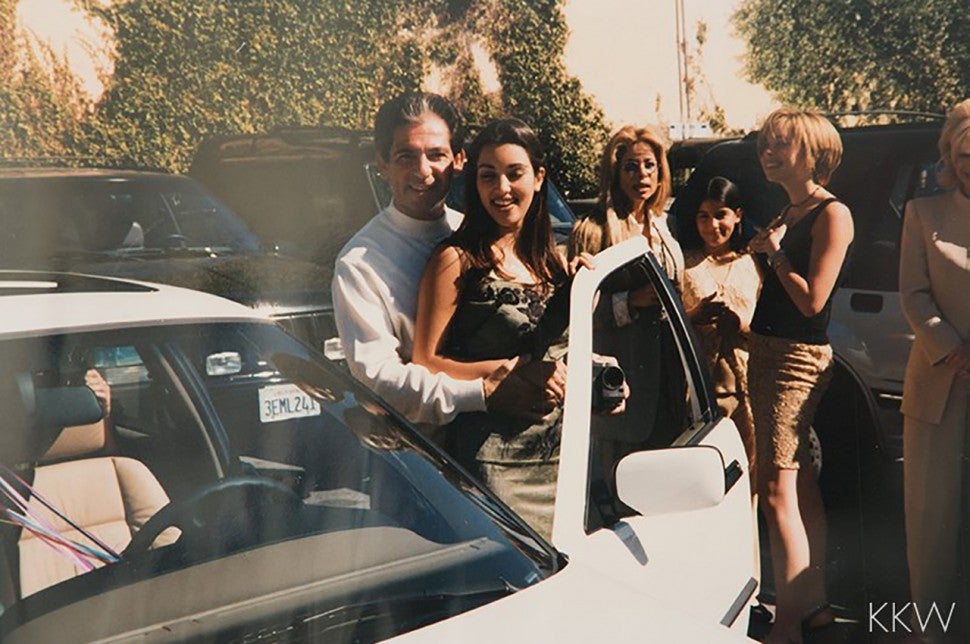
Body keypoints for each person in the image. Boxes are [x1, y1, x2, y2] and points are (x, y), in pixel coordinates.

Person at [332, 92, 562, 442]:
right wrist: (480, 394)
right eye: (406, 156)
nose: (423, 171)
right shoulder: (361, 263)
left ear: (458, 160)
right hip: (419, 458)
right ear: (383, 164)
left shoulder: (476, 236)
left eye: (436, 155)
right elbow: (378, 382)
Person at [410, 119, 575, 539]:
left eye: (514, 174)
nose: (501, 189)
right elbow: (425, 361)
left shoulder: (554, 262)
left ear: (539, 178)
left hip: (563, 460)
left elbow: (560, 352)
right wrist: (506, 372)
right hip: (496, 467)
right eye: (488, 176)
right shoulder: (456, 259)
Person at [746, 108, 854, 643]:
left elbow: (812, 301)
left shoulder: (833, 214)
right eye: (765, 144)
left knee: (775, 490)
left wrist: (775, 256)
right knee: (799, 484)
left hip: (795, 361)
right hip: (766, 353)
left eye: (780, 144)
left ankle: (786, 626)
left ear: (812, 153)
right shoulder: (790, 210)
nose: (768, 152)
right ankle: (815, 606)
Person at [899, 98, 970, 642]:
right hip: (941, 383)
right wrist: (953, 350)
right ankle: (932, 629)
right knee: (932, 519)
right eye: (965, 154)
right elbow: (914, 294)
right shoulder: (922, 214)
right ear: (950, 155)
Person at [568, 125, 686, 450]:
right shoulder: (593, 230)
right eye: (631, 167)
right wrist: (630, 301)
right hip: (623, 383)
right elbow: (577, 315)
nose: (642, 175)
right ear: (615, 172)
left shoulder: (666, 225)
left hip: (672, 379)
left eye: (649, 165)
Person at [681, 176, 761, 486]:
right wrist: (695, 316)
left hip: (746, 392)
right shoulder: (685, 264)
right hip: (699, 395)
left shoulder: (752, 264)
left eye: (720, 215)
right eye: (703, 216)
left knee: (747, 478)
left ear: (737, 215)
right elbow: (668, 323)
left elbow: (767, 325)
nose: (712, 225)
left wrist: (739, 323)